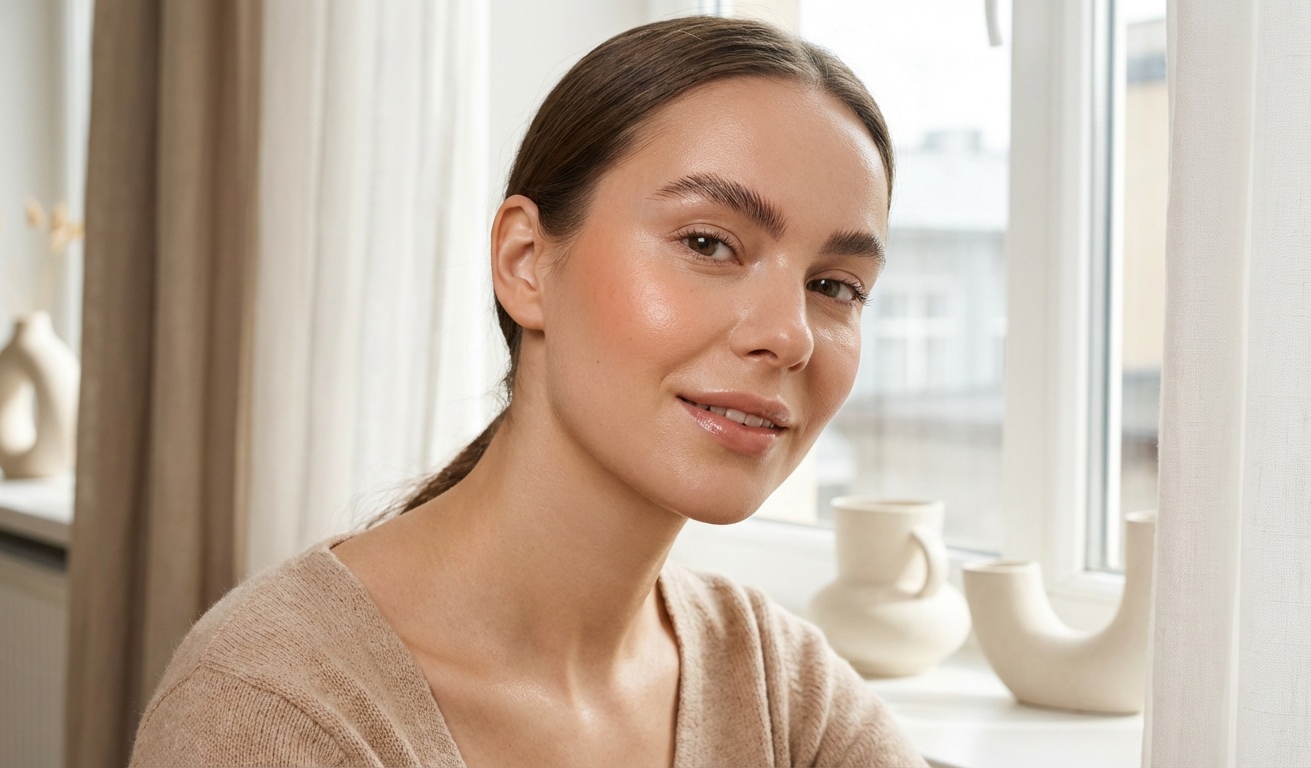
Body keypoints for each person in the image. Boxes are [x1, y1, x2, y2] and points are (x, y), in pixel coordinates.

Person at [130, 15, 927, 768]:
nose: (789, 334)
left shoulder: (785, 693)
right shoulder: (273, 710)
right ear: (524, 262)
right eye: (708, 243)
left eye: (836, 286)